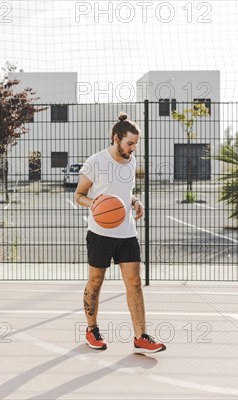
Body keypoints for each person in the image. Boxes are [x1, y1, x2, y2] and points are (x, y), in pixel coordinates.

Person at [74, 112, 166, 354]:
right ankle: (92, 330)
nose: (134, 148)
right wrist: (93, 204)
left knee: (134, 283)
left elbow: (123, 192)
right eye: (130, 143)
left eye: (136, 144)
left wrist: (135, 201)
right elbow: (79, 195)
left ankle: (141, 336)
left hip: (126, 233)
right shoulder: (96, 162)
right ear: (116, 138)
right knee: (95, 282)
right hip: (100, 233)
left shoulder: (132, 161)